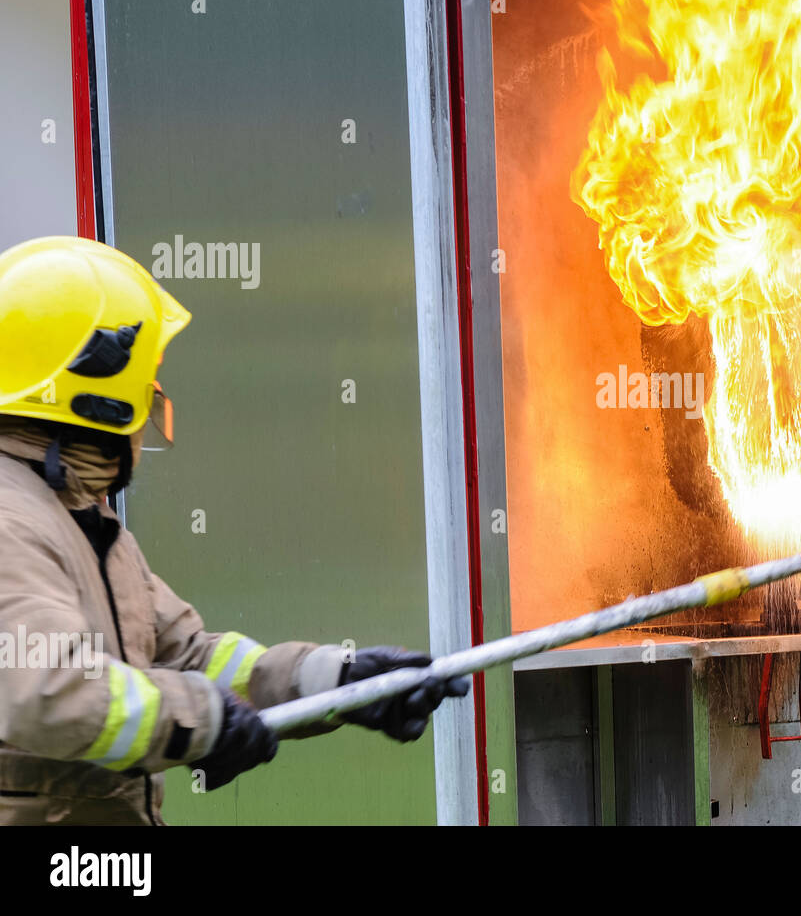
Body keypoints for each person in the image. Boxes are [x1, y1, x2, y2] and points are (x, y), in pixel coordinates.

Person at [0, 236, 468, 825]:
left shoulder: (80, 514)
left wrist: (338, 682)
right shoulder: (12, 523)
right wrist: (204, 720)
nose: (154, 399)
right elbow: (50, 692)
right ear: (101, 394)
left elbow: (191, 656)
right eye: (147, 382)